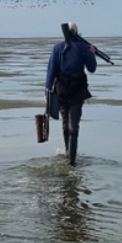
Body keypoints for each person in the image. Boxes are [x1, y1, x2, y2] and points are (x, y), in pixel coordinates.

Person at [45, 22, 97, 166]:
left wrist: (47, 91)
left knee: (65, 122)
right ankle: (71, 160)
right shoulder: (82, 47)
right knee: (73, 123)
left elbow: (51, 71)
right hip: (76, 90)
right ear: (76, 33)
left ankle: (69, 153)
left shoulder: (57, 47)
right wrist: (92, 53)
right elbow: (92, 68)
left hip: (60, 89)